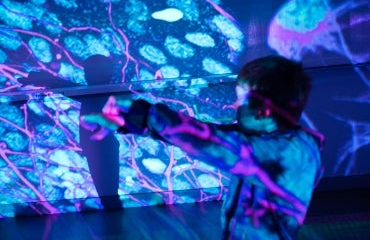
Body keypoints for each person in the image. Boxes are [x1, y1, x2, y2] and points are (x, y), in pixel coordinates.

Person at [80, 55, 324, 239]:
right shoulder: (267, 139)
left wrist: (142, 113)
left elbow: (210, 142)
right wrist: (131, 121)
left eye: (241, 99)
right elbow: (201, 134)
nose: (235, 105)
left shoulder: (292, 153)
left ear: (264, 110)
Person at [19, 55, 122, 210]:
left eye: (89, 71)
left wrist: (46, 79)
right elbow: (71, 89)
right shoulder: (97, 92)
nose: (86, 75)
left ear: (102, 73)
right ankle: (116, 225)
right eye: (86, 71)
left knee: (108, 194)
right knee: (107, 193)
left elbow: (71, 89)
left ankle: (117, 227)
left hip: (102, 148)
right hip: (99, 148)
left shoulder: (102, 93)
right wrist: (46, 79)